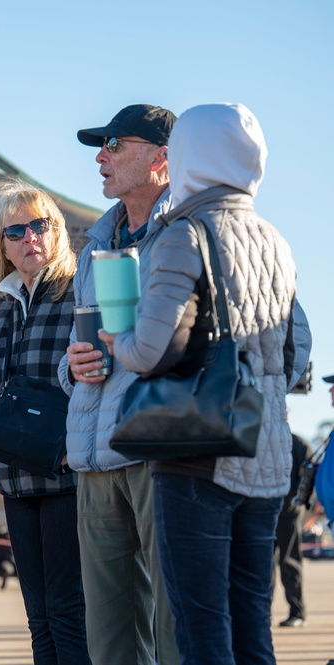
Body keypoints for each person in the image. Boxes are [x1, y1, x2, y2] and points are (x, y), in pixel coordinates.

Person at [101, 103, 309, 663]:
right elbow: (295, 353)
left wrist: (114, 338)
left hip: (198, 453)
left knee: (201, 627)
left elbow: (150, 350)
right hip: (264, 449)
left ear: (188, 155)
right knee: (251, 623)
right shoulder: (275, 240)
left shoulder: (184, 234)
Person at [58, 104, 180, 665]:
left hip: (161, 449)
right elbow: (76, 349)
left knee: (177, 626)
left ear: (161, 158)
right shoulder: (94, 247)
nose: (101, 158)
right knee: (110, 638)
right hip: (95, 458)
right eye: (100, 147)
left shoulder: (192, 231)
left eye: (114, 144)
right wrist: (73, 365)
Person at [0, 181, 89, 664]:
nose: (30, 238)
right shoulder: (2, 308)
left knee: (69, 613)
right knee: (38, 617)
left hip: (65, 474)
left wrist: (75, 442)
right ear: (2, 245)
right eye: (16, 231)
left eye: (39, 226)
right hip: (15, 478)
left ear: (56, 231)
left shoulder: (77, 292)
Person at [274, 433, 310, 628]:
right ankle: (261, 613)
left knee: (290, 563)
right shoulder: (264, 438)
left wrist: (293, 500)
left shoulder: (299, 444)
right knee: (262, 566)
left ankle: (297, 611)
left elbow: (308, 478)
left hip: (289, 514)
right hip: (262, 512)